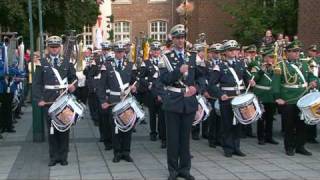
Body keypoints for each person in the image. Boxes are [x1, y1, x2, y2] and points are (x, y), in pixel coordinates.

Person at [159, 24, 199, 180]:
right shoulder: (166, 58)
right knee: (173, 138)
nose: (181, 40)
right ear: (172, 39)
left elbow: (202, 77)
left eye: (183, 37)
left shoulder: (193, 56)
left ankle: (185, 169)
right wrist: (178, 71)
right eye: (177, 38)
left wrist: (197, 88)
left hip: (189, 101)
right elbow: (164, 79)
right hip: (173, 101)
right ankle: (173, 170)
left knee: (185, 138)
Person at [33, 36, 77, 166]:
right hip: (48, 101)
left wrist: (73, 86)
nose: (54, 49)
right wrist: (39, 99)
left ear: (60, 48)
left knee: (64, 129)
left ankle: (63, 156)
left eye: (56, 47)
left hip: (64, 101)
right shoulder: (42, 63)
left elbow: (74, 78)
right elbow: (36, 84)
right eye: (51, 47)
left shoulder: (66, 62)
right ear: (48, 48)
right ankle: (53, 157)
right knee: (51, 130)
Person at [207, 40, 256, 158]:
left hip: (239, 98)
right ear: (225, 52)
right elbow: (212, 84)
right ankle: (228, 148)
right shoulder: (220, 66)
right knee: (227, 124)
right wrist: (220, 95)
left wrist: (250, 80)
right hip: (227, 98)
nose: (234, 52)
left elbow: (246, 76)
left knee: (238, 123)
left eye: (235, 50)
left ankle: (236, 147)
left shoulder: (240, 64)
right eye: (231, 50)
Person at [272, 41, 318, 156]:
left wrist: (314, 81)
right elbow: (275, 83)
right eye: (294, 51)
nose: (297, 54)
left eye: (298, 51)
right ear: (287, 52)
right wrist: (277, 98)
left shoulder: (305, 64)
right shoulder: (280, 66)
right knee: (289, 125)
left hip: (303, 98)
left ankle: (300, 146)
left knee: (302, 124)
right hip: (288, 99)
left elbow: (312, 76)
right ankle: (289, 147)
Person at [97, 41, 137, 163]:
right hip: (113, 100)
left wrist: (135, 87)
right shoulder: (107, 65)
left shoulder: (130, 65)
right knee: (115, 127)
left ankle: (126, 151)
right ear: (114, 52)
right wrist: (103, 100)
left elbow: (136, 81)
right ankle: (117, 152)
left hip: (127, 100)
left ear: (125, 52)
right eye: (118, 52)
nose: (120, 54)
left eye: (122, 52)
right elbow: (101, 86)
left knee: (128, 126)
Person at [251, 47, 278, 145]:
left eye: (272, 57)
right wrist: (262, 70)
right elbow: (253, 79)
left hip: (271, 96)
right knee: (261, 118)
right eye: (270, 57)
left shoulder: (275, 68)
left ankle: (269, 137)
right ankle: (261, 137)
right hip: (261, 96)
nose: (272, 59)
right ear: (265, 58)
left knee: (270, 118)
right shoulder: (257, 67)